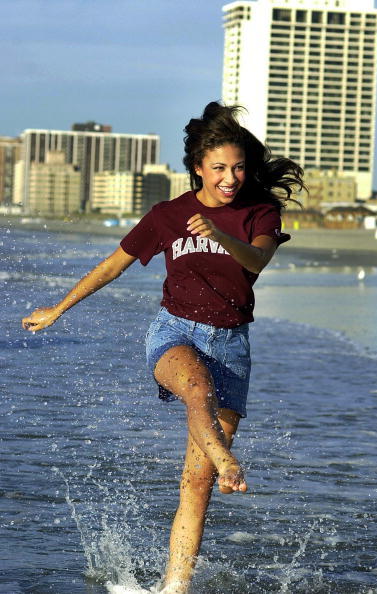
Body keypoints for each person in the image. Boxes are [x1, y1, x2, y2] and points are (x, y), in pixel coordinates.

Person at [22, 102, 305, 594]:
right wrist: (59, 308)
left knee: (195, 486)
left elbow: (256, 262)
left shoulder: (260, 212)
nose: (231, 177)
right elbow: (114, 264)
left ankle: (175, 587)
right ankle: (229, 462)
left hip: (232, 346)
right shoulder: (168, 215)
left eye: (238, 167)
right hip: (175, 333)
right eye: (219, 168)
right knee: (197, 392)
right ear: (198, 167)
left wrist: (217, 232)